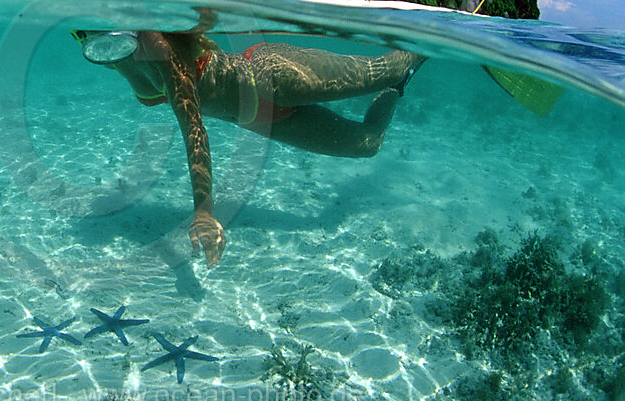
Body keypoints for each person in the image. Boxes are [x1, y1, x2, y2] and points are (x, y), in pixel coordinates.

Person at [74, 28, 423, 267]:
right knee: (368, 144)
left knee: (388, 66)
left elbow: (193, 125)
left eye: (91, 27)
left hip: (271, 78)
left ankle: (433, 48)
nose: (87, 39)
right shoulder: (107, 52)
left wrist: (204, 211)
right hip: (260, 119)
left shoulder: (155, 42)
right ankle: (400, 87)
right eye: (78, 34)